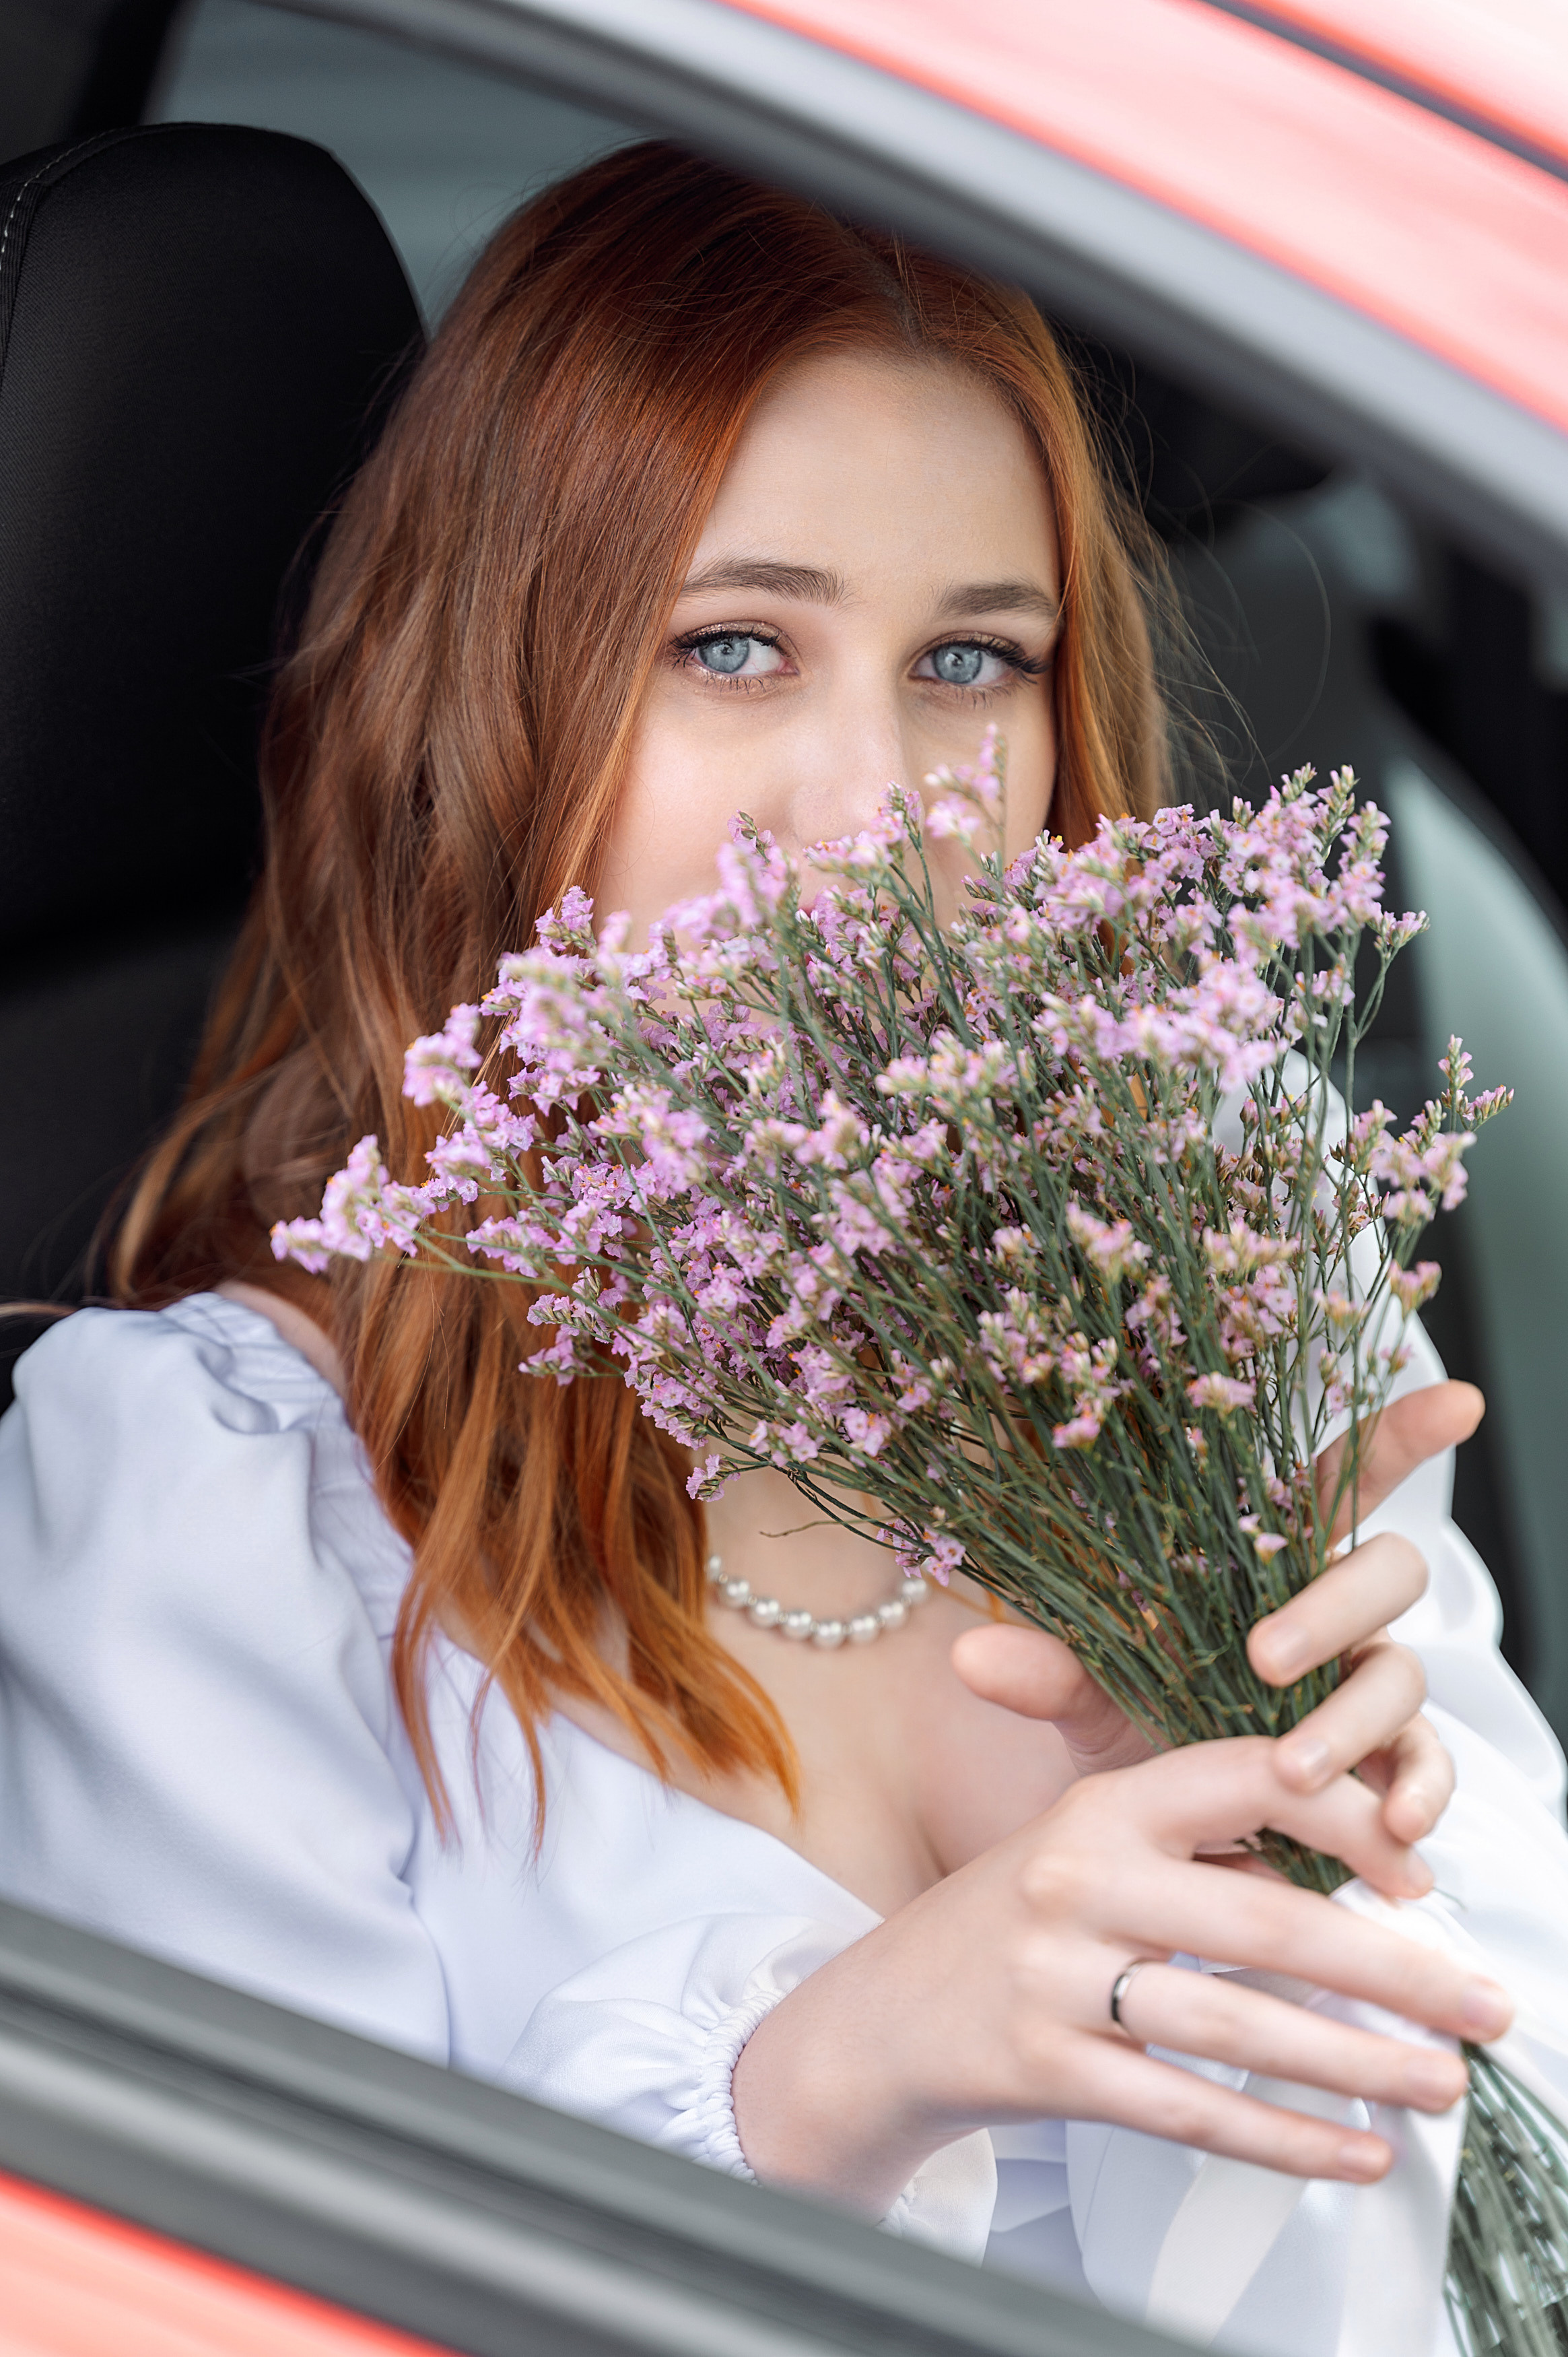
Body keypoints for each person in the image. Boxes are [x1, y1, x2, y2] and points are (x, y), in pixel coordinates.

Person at [1, 143, 1565, 2355]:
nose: (877, 813)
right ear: (495, 707)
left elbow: (1508, 2158)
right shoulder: (222, 1505)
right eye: (733, 646)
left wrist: (1331, 1859)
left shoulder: (1194, 1243)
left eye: (971, 662)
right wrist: (830, 2076)